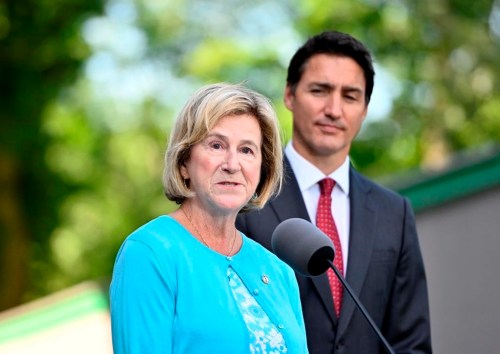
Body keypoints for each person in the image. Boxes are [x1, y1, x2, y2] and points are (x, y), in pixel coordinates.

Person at [236, 31, 432, 353]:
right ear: (289, 94)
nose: (334, 109)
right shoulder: (246, 197)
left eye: (350, 96)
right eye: (319, 90)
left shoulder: (394, 213)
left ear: (365, 109)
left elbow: (411, 342)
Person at [109, 82, 309, 353]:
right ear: (184, 163)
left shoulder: (278, 271)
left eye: (247, 150)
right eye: (216, 145)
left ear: (263, 168)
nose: (232, 164)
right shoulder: (150, 253)